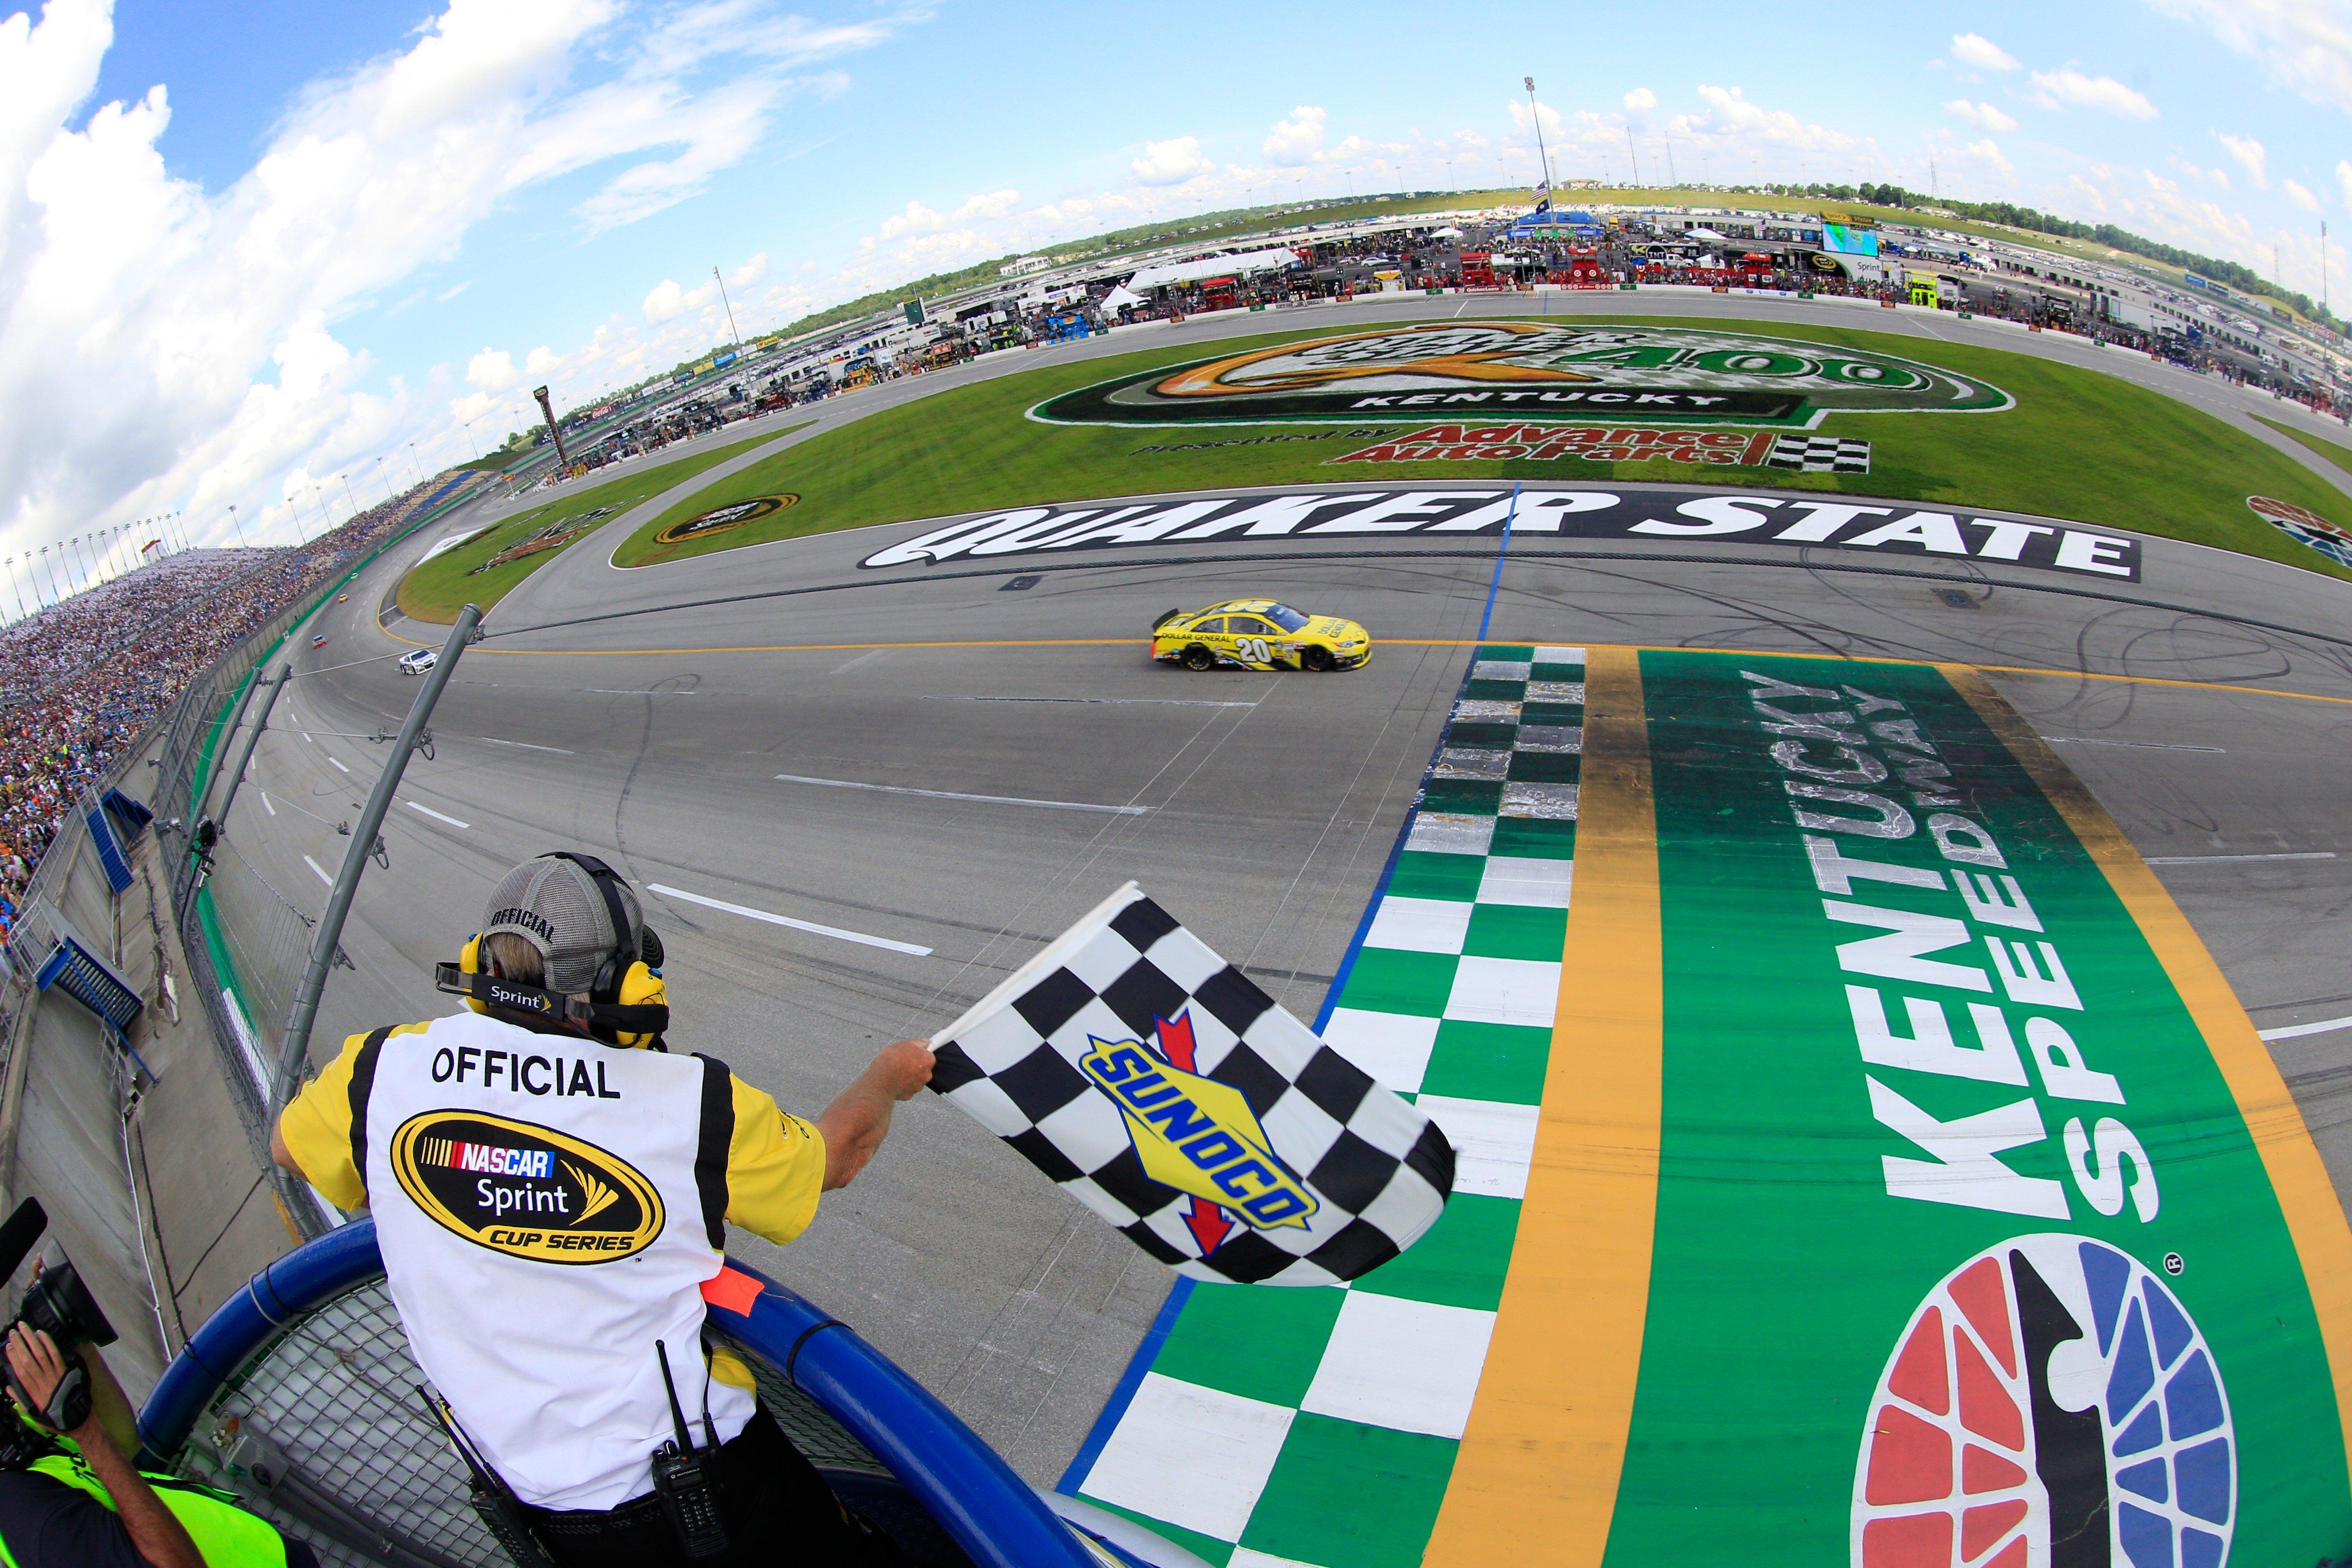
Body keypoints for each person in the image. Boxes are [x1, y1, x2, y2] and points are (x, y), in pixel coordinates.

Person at [270, 852, 934, 1567]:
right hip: (710, 1492)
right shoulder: (691, 1101)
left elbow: (288, 1149)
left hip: (531, 1507)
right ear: (625, 981)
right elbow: (832, 1161)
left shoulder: (375, 1071)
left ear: (480, 960)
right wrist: (886, 1080)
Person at [0, 1321, 316, 1568]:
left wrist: (76, 1345)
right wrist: (86, 1432)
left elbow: (122, 1445)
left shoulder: (14, 1447)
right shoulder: (29, 1520)